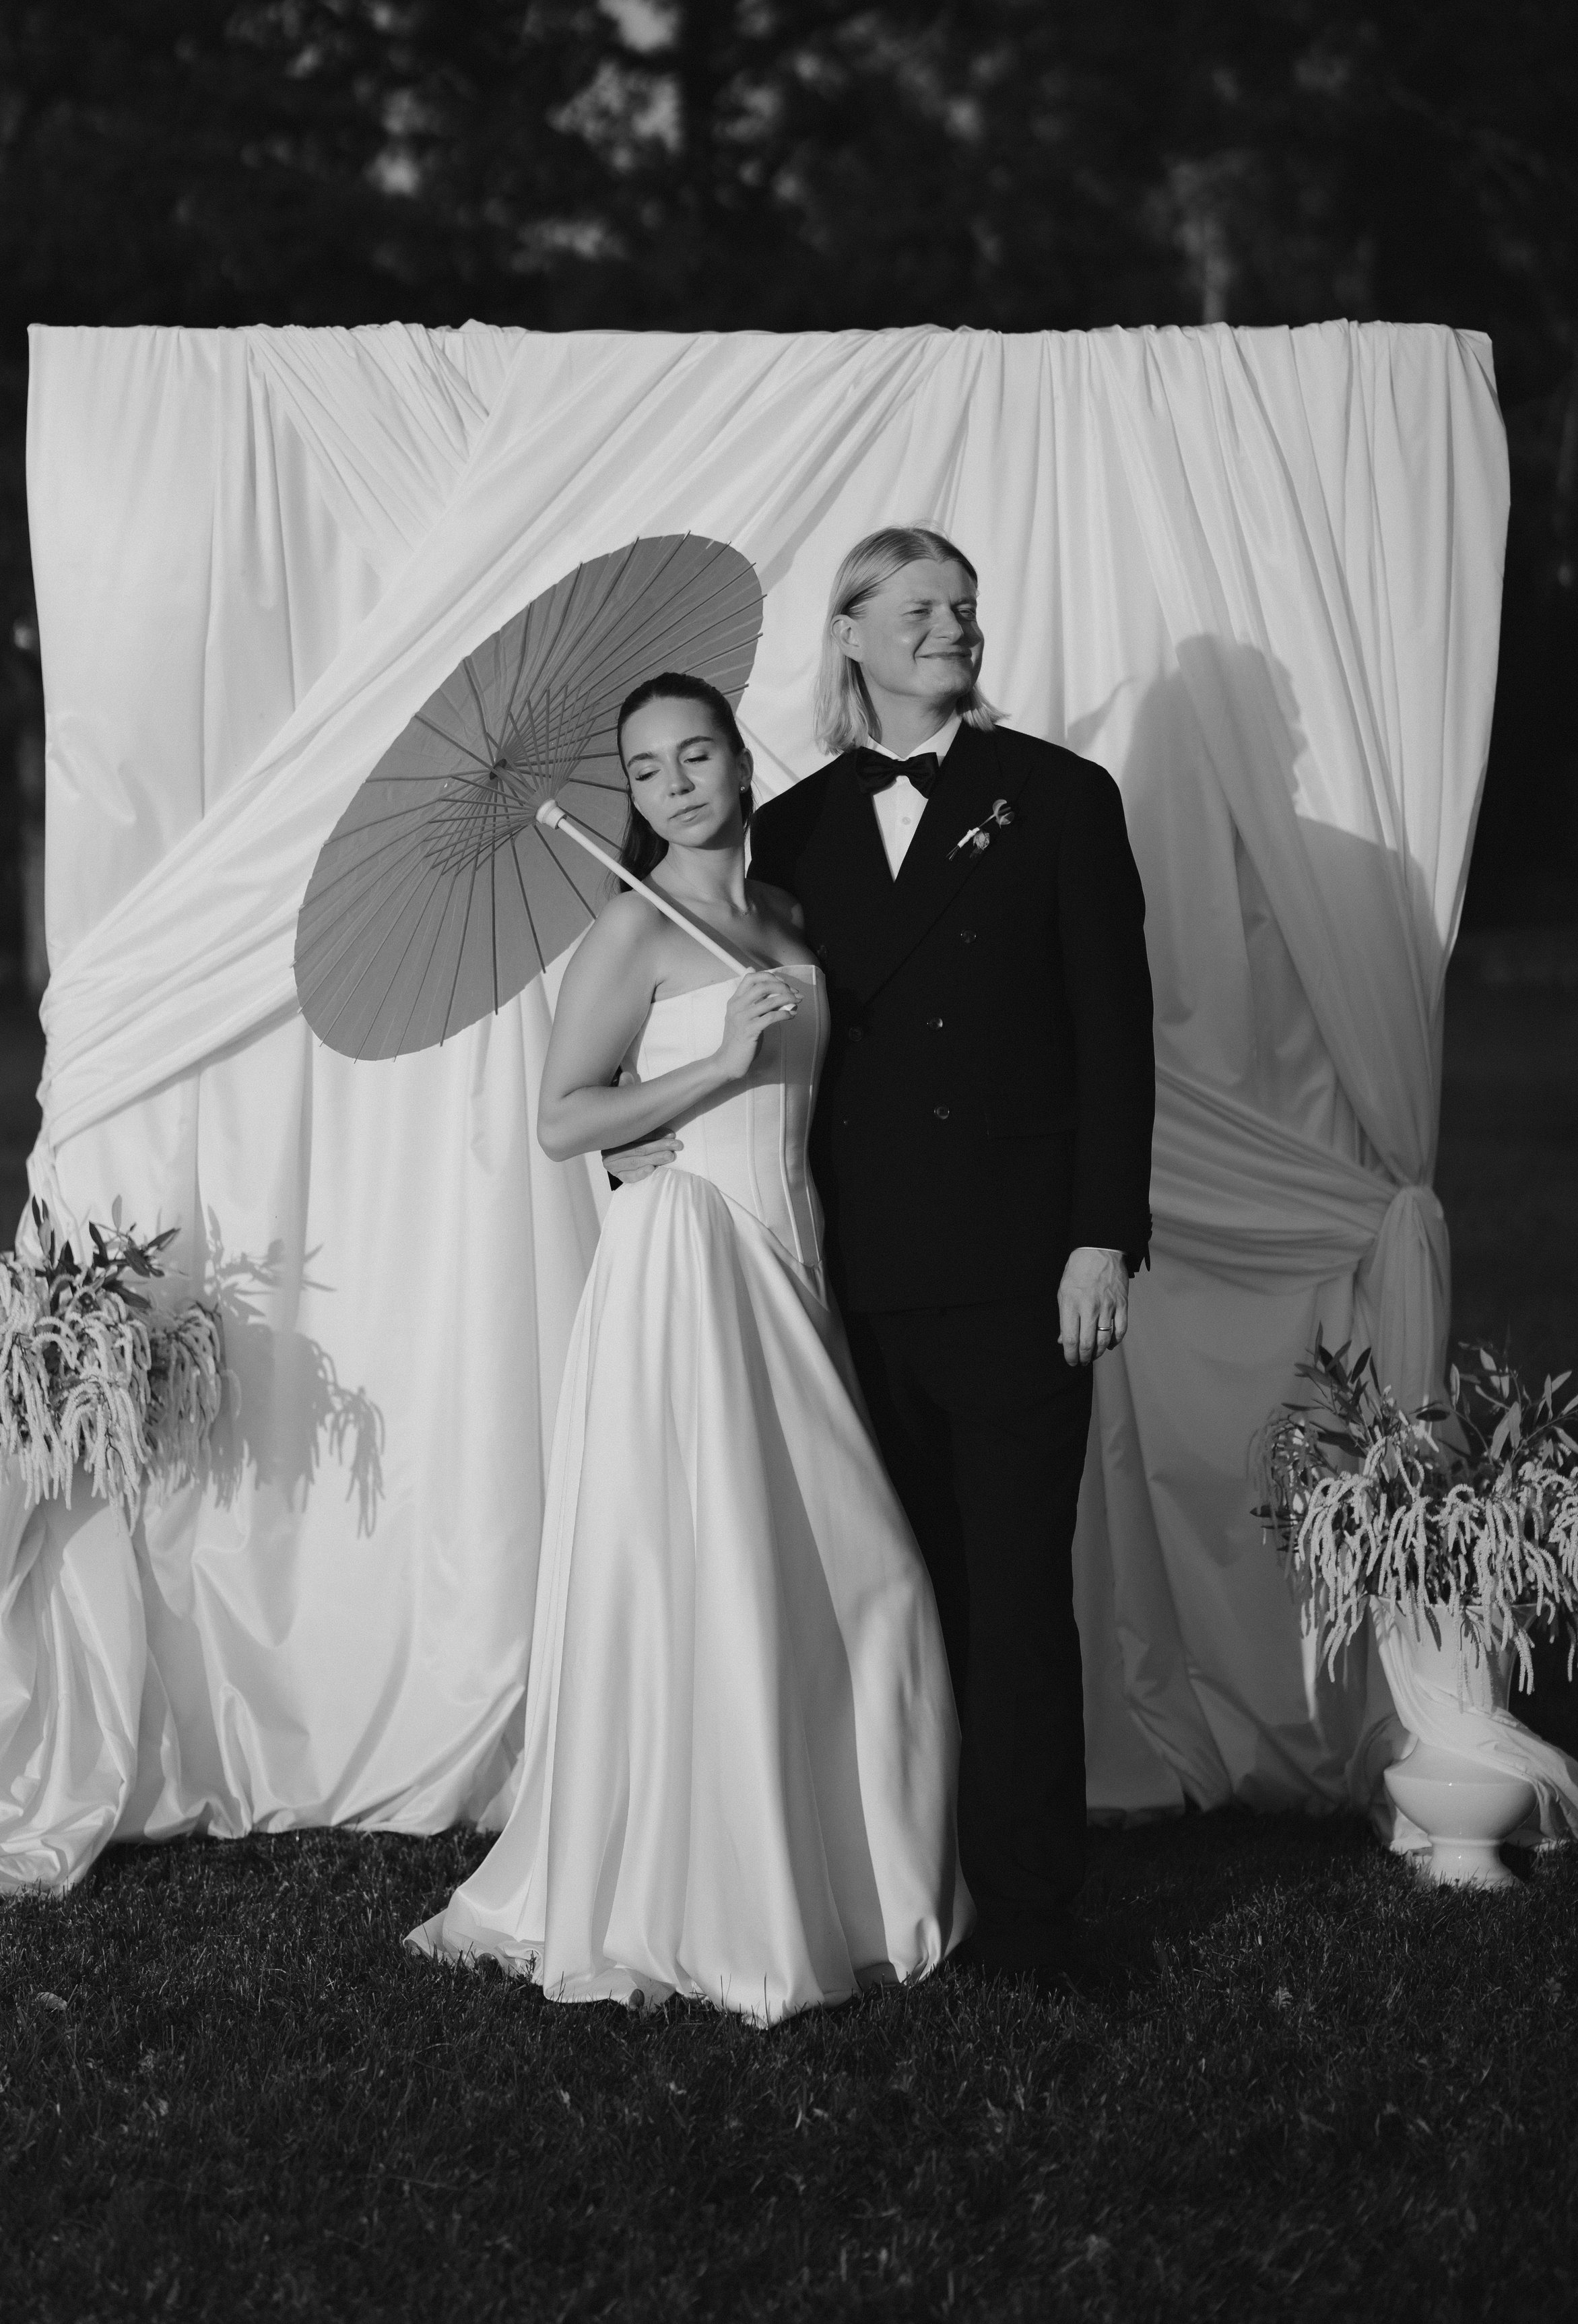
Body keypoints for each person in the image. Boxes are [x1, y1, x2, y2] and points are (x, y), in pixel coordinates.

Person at [407, 672, 969, 2020]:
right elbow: (564, 1118)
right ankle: (712, 1893)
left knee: (843, 1577)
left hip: (795, 1257)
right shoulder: (628, 928)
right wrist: (709, 1068)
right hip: (693, 1265)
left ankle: (850, 1880)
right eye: (648, 770)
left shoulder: (784, 915)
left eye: (696, 755)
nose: (674, 786)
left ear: (739, 760)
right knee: (715, 1570)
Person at [745, 527, 1156, 1978]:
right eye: (919, 606)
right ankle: (913, 1889)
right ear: (849, 633)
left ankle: (1032, 1916)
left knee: (1017, 1597)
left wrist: (1101, 1236)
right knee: (900, 1595)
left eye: (966, 607)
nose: (953, 626)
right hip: (852, 1273)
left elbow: (1114, 1035)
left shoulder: (1059, 797)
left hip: (1022, 1266)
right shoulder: (787, 830)